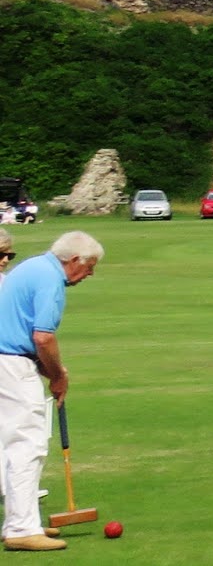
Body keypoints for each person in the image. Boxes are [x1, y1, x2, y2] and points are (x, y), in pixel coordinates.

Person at [0, 231, 103, 551]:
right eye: (89, 267)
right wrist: (57, 376)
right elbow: (43, 337)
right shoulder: (50, 280)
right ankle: (20, 529)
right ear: (74, 261)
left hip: (8, 360)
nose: (90, 274)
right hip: (12, 365)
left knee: (11, 443)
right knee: (27, 444)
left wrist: (48, 369)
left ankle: (22, 521)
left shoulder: (33, 267)